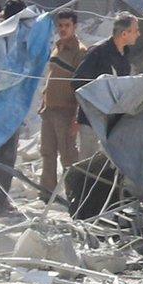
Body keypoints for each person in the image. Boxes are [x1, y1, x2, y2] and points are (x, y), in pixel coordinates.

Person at [37, 10, 89, 202]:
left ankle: (74, 194)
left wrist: (77, 117)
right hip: (49, 110)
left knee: (68, 157)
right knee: (47, 153)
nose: (63, 29)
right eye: (60, 25)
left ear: (74, 27)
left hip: (66, 111)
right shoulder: (57, 47)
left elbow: (82, 87)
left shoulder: (80, 52)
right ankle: (46, 193)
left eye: (67, 25)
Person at [72, 13, 140, 112]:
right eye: (136, 31)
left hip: (113, 116)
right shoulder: (98, 51)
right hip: (92, 116)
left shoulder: (125, 54)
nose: (139, 34)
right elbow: (78, 81)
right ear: (124, 34)